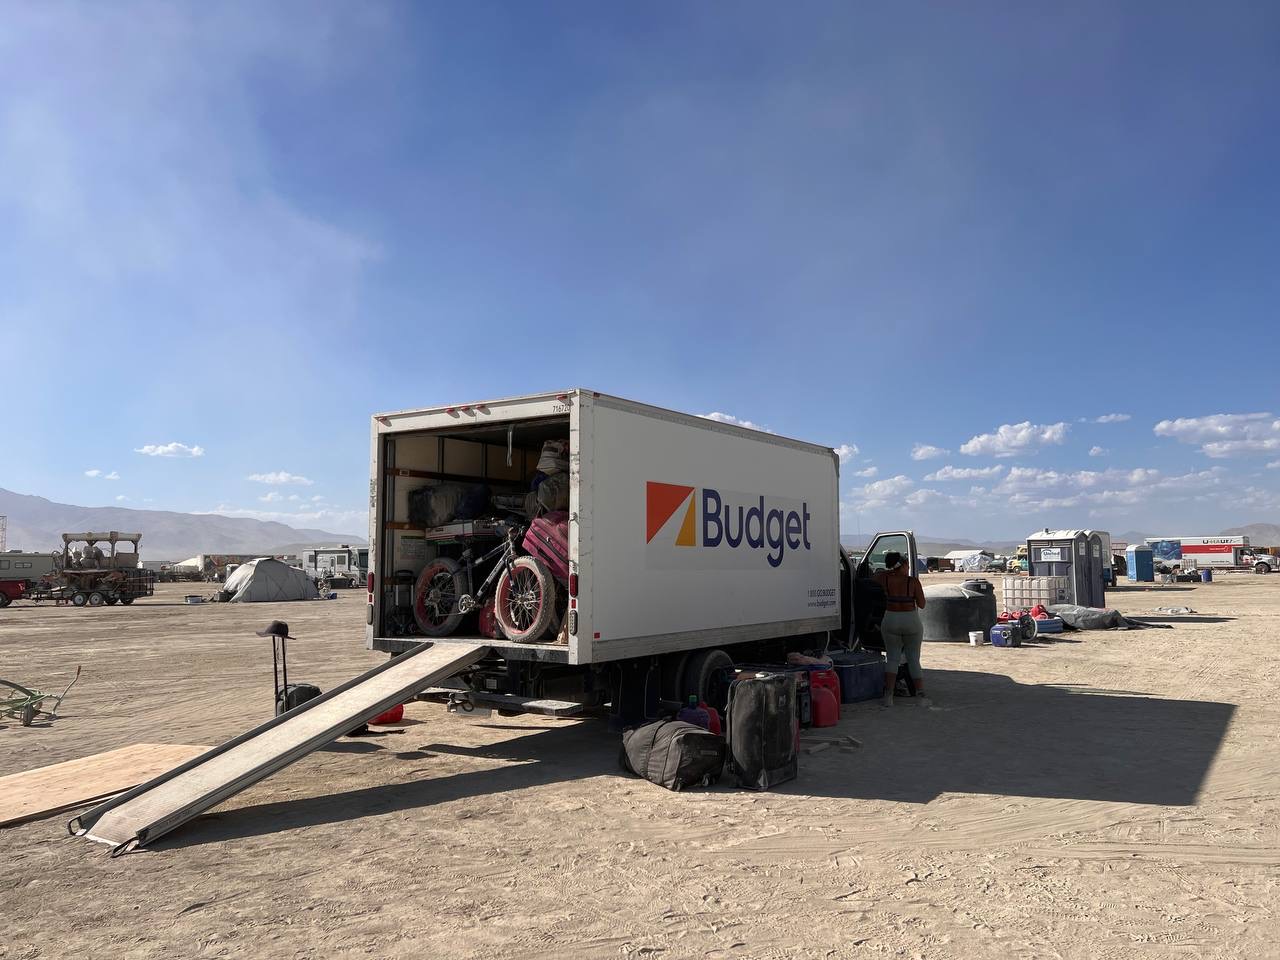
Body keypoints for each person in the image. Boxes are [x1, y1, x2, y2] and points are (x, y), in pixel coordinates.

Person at [873, 551, 928, 707]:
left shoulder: (884, 579)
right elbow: (922, 604)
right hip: (910, 620)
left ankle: (888, 696)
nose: (908, 568)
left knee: (892, 659)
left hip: (890, 619)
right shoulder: (913, 582)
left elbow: (874, 577)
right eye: (907, 565)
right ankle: (920, 696)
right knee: (913, 659)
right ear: (903, 565)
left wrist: (890, 571)